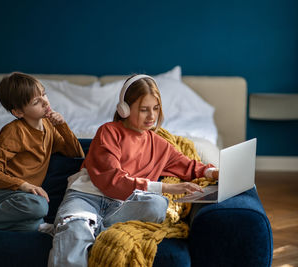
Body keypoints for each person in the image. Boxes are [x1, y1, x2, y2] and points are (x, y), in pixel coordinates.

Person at [48, 74, 219, 267]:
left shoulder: (159, 145)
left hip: (120, 207)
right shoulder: (108, 132)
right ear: (124, 109)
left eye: (155, 109)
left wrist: (213, 172)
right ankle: (76, 225)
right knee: (74, 233)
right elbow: (114, 181)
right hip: (87, 198)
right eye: (144, 110)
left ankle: (91, 227)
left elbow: (189, 166)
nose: (152, 116)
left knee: (157, 205)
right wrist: (167, 188)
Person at [0, 72, 84, 242]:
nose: (45, 102)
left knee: (34, 224)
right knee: (39, 206)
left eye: (44, 94)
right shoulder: (14, 131)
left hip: (20, 200)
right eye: (36, 102)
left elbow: (76, 154)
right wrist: (24, 185)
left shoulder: (49, 126)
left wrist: (62, 126)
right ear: (18, 112)